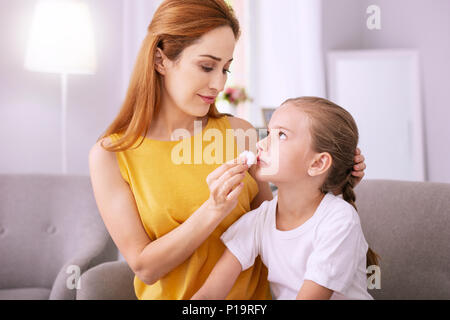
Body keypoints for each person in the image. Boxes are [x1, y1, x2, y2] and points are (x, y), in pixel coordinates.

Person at [88, 0, 367, 300]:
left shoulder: (240, 132)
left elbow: (275, 223)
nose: (218, 83)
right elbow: (145, 267)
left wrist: (329, 181)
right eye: (207, 66)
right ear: (160, 60)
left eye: (226, 69)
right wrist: (213, 209)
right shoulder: (111, 155)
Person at [191, 97, 378, 300]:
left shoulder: (339, 220)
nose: (261, 144)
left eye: (281, 135)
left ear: (317, 163)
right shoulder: (259, 220)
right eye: (268, 132)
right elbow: (207, 296)